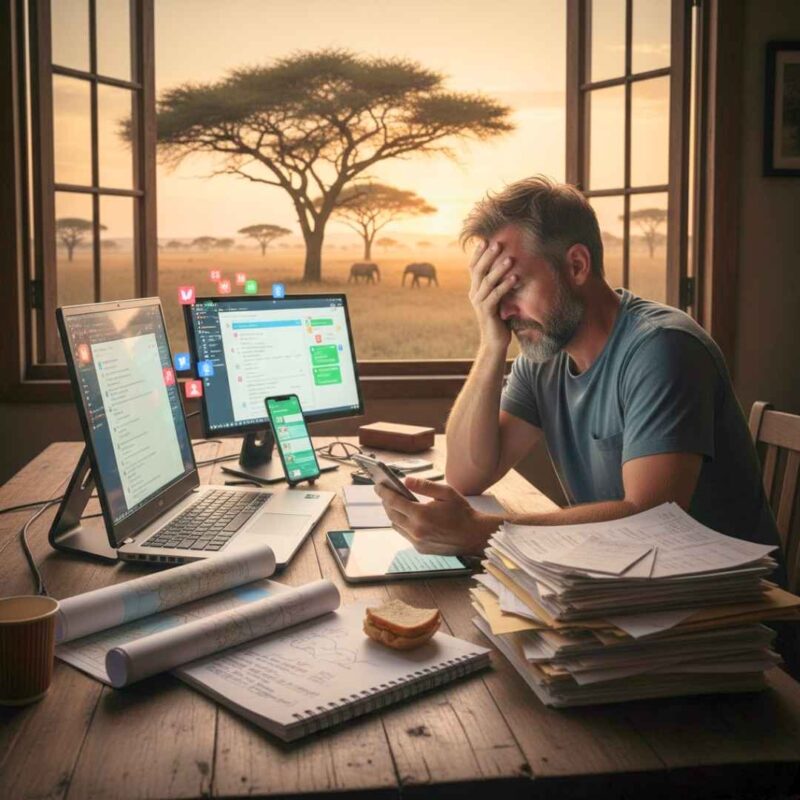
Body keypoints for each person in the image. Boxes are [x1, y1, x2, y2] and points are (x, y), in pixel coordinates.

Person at [374, 176, 784, 577]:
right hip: (629, 583)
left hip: (729, 615)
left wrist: (487, 531)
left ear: (576, 265)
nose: (503, 309)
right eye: (491, 292)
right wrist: (491, 343)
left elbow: (653, 518)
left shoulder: (663, 348)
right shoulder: (545, 349)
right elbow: (467, 474)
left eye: (513, 288)